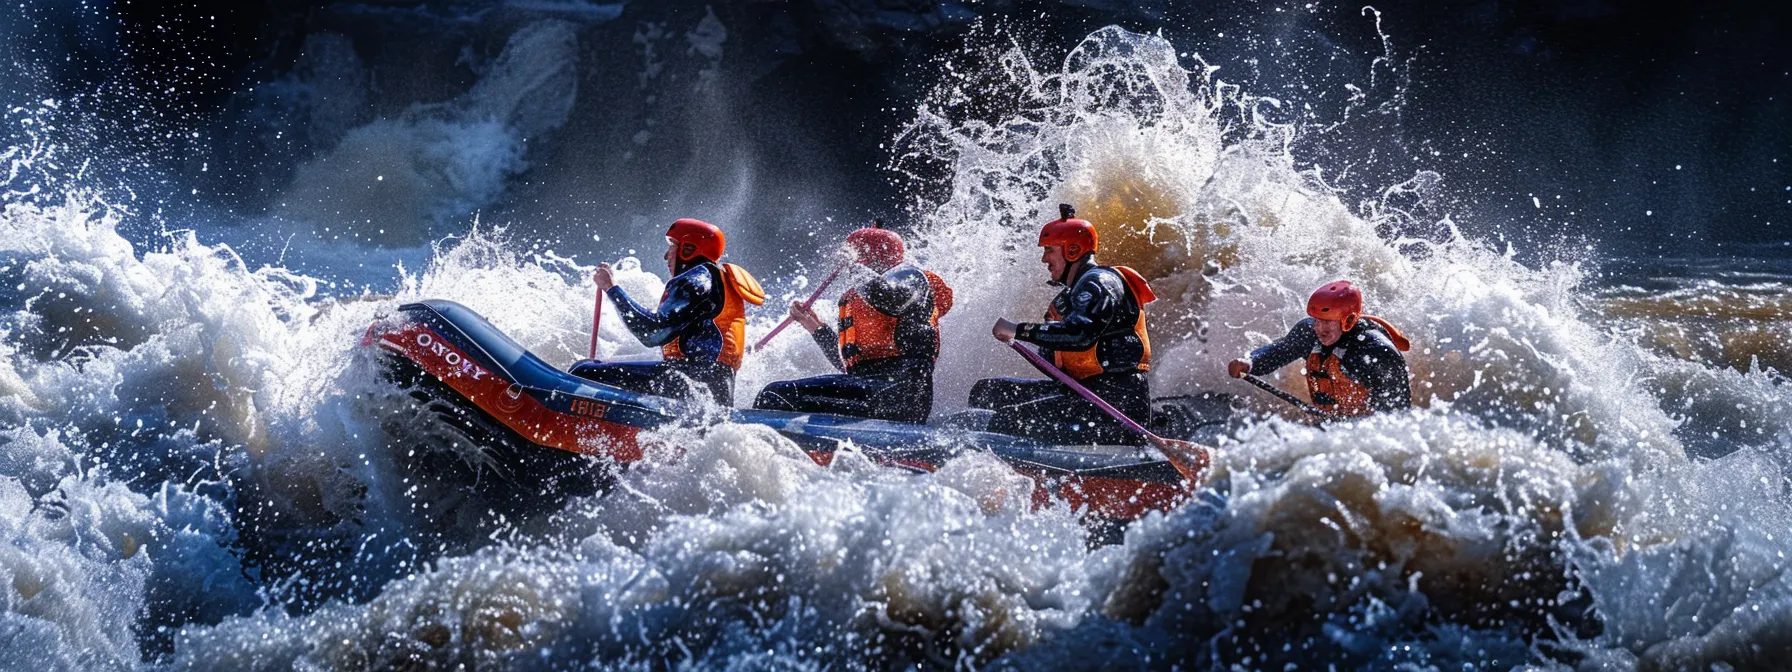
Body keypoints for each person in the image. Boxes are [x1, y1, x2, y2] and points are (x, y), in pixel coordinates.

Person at [973, 204, 1157, 444]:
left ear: (1072, 250)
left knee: (1005, 421)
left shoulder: (1099, 282)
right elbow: (1059, 365)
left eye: (1049, 250)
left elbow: (1080, 334)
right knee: (986, 392)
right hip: (1085, 393)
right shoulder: (1072, 296)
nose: (1044, 259)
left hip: (1115, 406)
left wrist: (1019, 330)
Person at [753, 224, 954, 423]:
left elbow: (888, 298)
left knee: (776, 395)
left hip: (902, 394)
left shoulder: (911, 277)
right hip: (872, 390)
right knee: (773, 395)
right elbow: (850, 366)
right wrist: (814, 327)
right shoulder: (856, 296)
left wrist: (854, 267)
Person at [578, 218, 764, 406]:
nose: (666, 256)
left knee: (584, 371)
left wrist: (611, 288)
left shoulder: (695, 281)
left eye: (672, 247)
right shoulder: (715, 279)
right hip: (712, 390)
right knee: (607, 366)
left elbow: (652, 333)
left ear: (688, 249)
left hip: (690, 382)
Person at [1227, 280, 1412, 417]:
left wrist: (1358, 432)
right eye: (1316, 320)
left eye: (1327, 322)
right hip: (1328, 425)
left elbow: (1397, 415)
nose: (1319, 329)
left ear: (1347, 321)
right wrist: (1250, 362)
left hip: (1365, 433)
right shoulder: (1309, 332)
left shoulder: (1377, 352)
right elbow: (1280, 351)